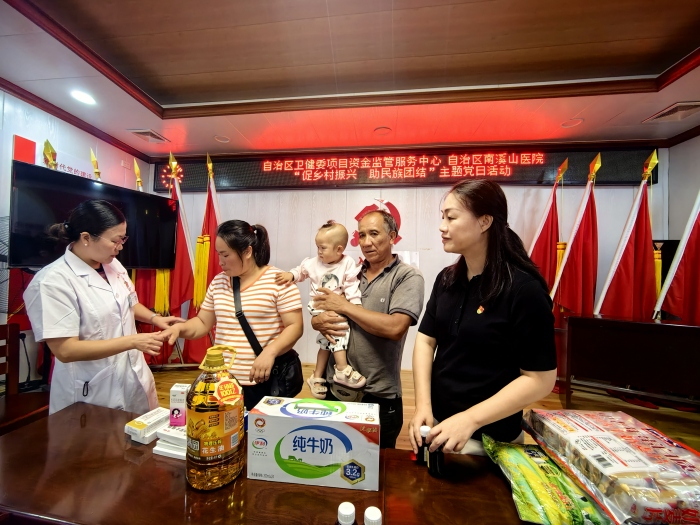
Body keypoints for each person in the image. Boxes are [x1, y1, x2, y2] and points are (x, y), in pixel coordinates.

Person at [408, 180, 557, 457]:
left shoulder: (523, 290)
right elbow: (426, 341)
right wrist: (423, 406)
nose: (442, 227)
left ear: (485, 221)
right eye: (442, 217)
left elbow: (540, 379)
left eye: (451, 217)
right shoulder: (446, 280)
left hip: (492, 441)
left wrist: (470, 419)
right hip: (439, 428)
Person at [24, 200, 184, 415]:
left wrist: (155, 319)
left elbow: (128, 302)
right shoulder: (52, 282)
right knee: (99, 435)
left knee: (139, 432)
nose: (121, 246)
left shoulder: (112, 264)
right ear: (86, 238)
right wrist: (133, 341)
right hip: (91, 388)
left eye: (123, 239)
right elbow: (65, 350)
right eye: (115, 240)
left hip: (132, 375)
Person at [312, 210, 424, 448]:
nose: (366, 242)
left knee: (377, 467)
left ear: (392, 236)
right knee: (331, 459)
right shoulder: (349, 272)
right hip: (336, 389)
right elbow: (322, 310)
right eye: (361, 235)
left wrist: (344, 306)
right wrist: (317, 322)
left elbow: (395, 328)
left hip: (378, 396)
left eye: (374, 233)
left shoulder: (407, 276)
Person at [161, 220, 303, 410]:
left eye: (226, 255)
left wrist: (270, 352)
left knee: (260, 428)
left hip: (264, 379)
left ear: (247, 251)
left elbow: (295, 326)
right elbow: (202, 322)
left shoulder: (278, 281)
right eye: (218, 254)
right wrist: (180, 328)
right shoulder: (219, 282)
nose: (220, 261)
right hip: (224, 382)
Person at [275, 221, 363, 399]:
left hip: (338, 305)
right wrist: (291, 275)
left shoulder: (347, 263)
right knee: (338, 330)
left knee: (326, 342)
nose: (319, 252)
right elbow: (301, 271)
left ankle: (316, 377)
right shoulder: (313, 263)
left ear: (339, 249)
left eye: (323, 248)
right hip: (319, 305)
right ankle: (342, 369)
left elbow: (351, 286)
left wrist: (356, 306)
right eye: (317, 247)